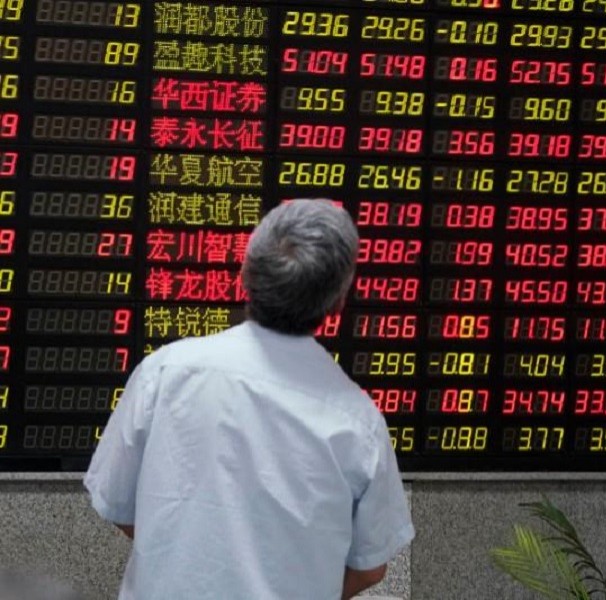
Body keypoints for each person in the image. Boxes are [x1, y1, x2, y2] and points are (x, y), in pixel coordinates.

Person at [85, 199, 414, 600]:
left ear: (245, 272)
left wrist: (186, 554)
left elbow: (118, 504)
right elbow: (369, 567)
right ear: (338, 301)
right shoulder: (358, 422)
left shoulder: (166, 373)